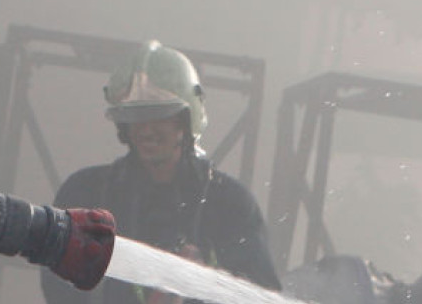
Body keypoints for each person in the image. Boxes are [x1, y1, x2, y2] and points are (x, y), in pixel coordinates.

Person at [41, 41, 281, 304]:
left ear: (185, 121)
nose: (146, 130)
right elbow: (59, 286)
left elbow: (262, 296)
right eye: (135, 118)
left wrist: (207, 274)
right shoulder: (87, 193)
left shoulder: (230, 205)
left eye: (159, 115)